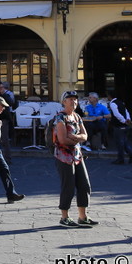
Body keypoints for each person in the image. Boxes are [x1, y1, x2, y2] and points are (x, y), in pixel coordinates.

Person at [53, 91, 95, 227]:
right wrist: (78, 138)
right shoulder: (60, 118)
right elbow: (62, 139)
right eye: (70, 99)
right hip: (64, 156)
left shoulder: (77, 116)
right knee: (68, 186)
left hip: (77, 155)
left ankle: (83, 216)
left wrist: (75, 137)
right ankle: (64, 217)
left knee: (84, 184)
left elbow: (85, 136)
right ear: (64, 102)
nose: (73, 102)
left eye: (75, 100)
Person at [108, 94, 132, 164]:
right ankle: (131, 154)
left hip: (119, 125)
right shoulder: (121, 103)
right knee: (124, 142)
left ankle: (121, 158)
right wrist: (128, 119)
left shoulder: (112, 104)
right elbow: (126, 112)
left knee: (119, 143)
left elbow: (116, 114)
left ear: (109, 96)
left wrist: (123, 121)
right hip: (125, 125)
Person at [0, 81, 16, 160]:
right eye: (0, 88)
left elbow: (11, 103)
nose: (2, 89)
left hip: (4, 119)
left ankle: (7, 157)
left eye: (2, 87)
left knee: (4, 139)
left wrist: (4, 94)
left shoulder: (6, 95)